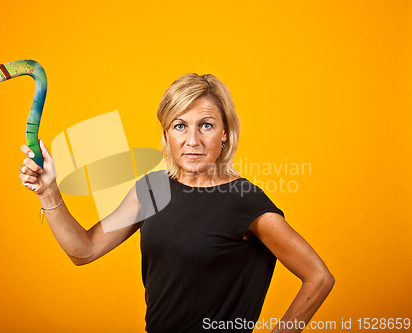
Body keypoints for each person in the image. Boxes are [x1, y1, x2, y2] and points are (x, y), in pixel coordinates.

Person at [19, 73, 335, 333]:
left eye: (206, 125)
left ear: (225, 133)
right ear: (167, 133)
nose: (192, 140)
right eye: (180, 126)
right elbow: (84, 250)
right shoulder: (153, 190)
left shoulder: (244, 200)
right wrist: (49, 192)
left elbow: (318, 277)